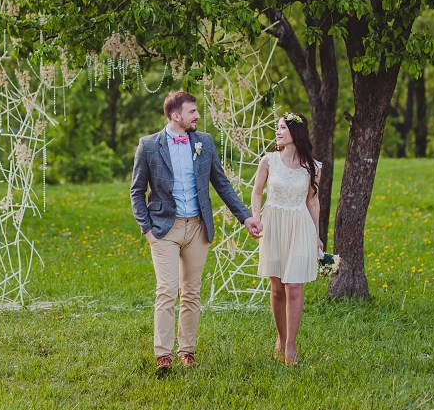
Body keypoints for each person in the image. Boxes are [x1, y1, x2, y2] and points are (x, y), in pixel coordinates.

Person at [131, 90, 262, 375]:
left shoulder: (204, 142)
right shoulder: (149, 146)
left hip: (198, 227)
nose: (197, 115)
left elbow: (222, 184)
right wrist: (147, 229)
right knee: (166, 290)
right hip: (165, 228)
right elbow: (136, 191)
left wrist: (246, 217)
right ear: (176, 116)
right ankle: (162, 355)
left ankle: (187, 351)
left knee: (191, 292)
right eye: (192, 111)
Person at [251, 111, 323, 366]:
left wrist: (317, 236)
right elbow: (257, 193)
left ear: (296, 132)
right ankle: (280, 338)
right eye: (277, 127)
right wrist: (256, 218)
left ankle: (291, 346)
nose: (278, 131)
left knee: (294, 286)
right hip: (274, 225)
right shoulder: (268, 161)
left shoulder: (312, 167)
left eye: (283, 127)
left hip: (300, 225)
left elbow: (313, 203)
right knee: (278, 287)